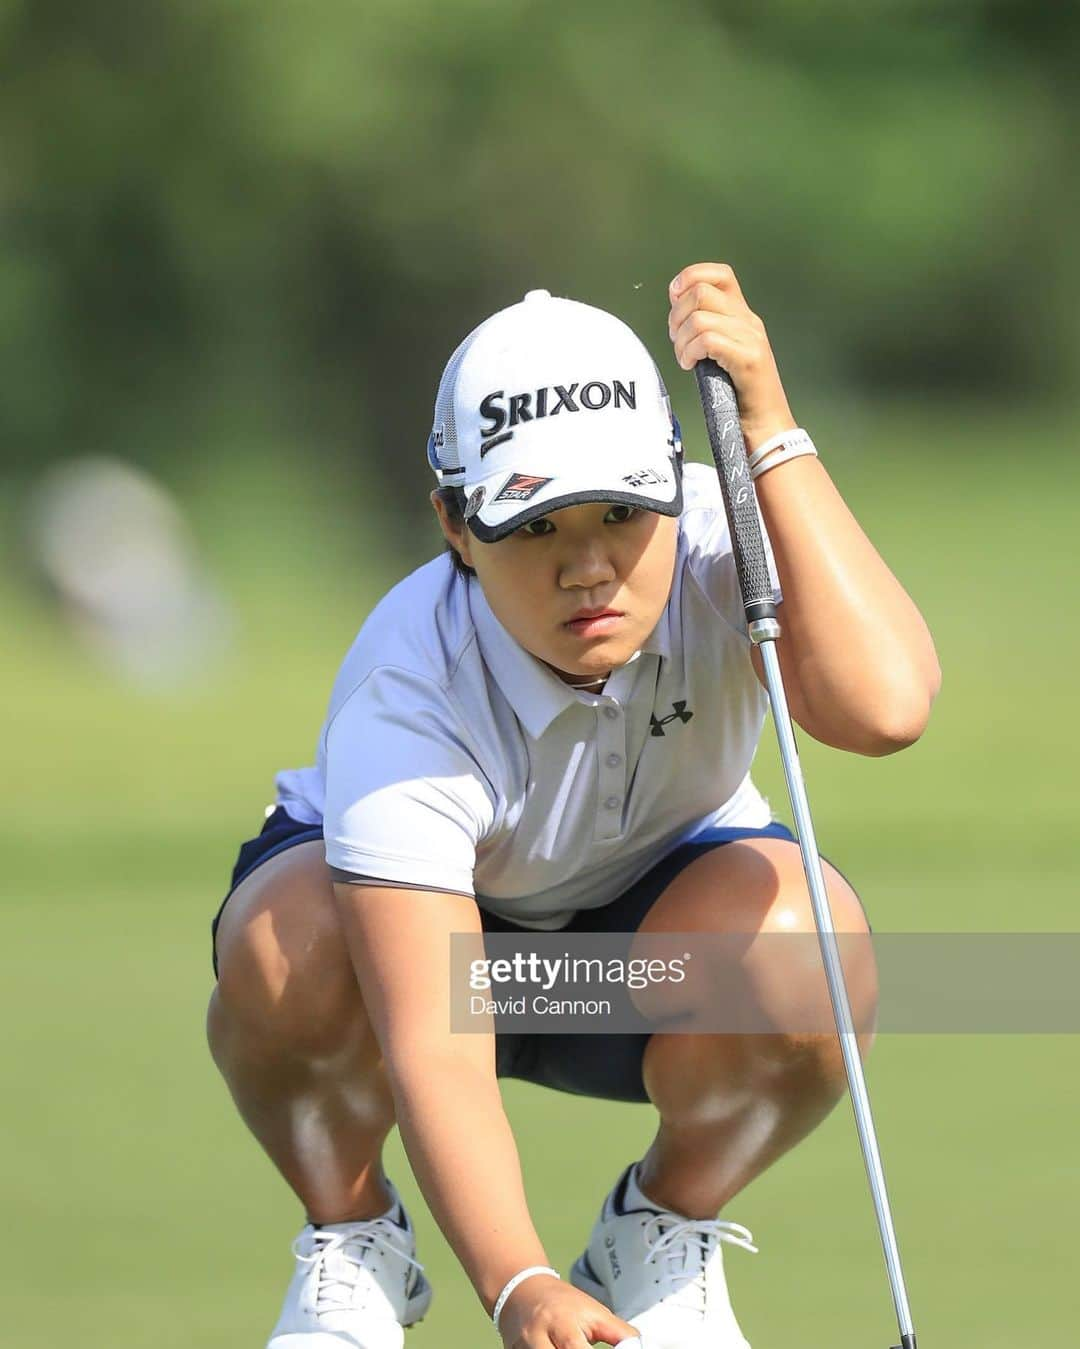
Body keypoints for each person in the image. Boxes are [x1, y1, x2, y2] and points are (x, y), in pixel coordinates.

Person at [206, 262, 941, 1349]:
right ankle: (354, 1239)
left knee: (806, 940)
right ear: (456, 526)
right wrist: (519, 1284)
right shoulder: (407, 685)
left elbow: (885, 706)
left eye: (617, 513)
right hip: (418, 979)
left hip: (630, 971)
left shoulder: (712, 544)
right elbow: (435, 1037)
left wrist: (773, 425)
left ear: (674, 486)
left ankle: (660, 1227)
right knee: (286, 944)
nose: (588, 566)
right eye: (535, 526)